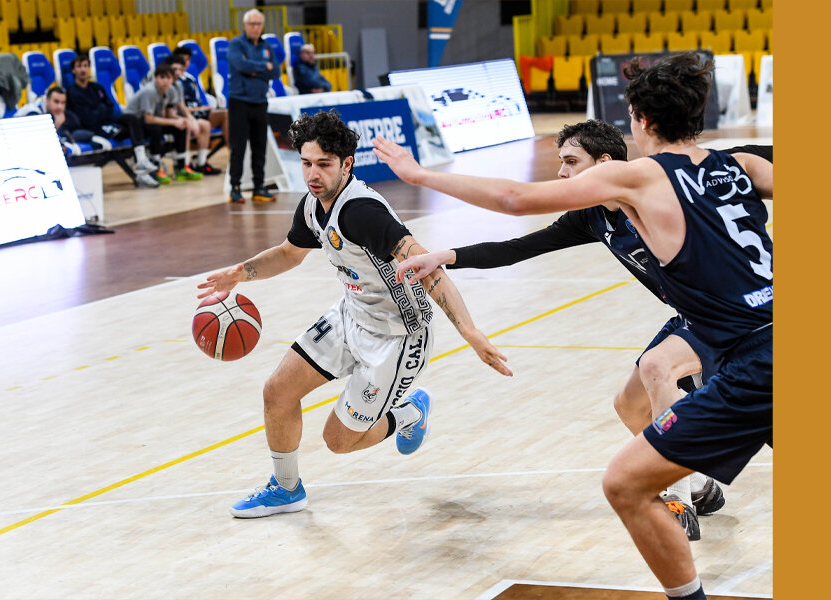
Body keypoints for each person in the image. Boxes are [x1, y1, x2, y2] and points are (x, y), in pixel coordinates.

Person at [373, 53, 772, 600]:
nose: (563, 171)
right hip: (761, 334)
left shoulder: (638, 176)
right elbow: (524, 243)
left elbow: (514, 199)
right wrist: (451, 255)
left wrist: (418, 175)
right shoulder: (740, 164)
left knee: (626, 481)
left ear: (640, 120)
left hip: (753, 358)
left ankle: (685, 503)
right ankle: (697, 480)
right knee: (634, 401)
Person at [196, 110, 510, 519]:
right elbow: (290, 253)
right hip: (351, 315)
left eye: (324, 164)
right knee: (277, 391)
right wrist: (242, 273)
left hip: (397, 337)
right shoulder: (313, 205)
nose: (313, 174)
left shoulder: (362, 213)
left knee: (339, 441)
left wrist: (469, 331)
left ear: (347, 164)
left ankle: (410, 412)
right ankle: (286, 489)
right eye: (306, 163)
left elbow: (426, 266)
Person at [65, 55, 160, 188]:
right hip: (96, 128)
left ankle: (141, 161)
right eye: (79, 66)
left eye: (86, 66)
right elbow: (86, 118)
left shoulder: (97, 87)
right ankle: (142, 170)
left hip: (109, 121)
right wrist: (101, 108)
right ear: (73, 70)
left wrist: (98, 109)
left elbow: (110, 106)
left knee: (133, 119)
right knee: (134, 131)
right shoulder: (72, 92)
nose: (83, 69)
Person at [226, 8, 279, 203]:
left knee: (259, 147)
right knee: (238, 147)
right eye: (252, 24)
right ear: (244, 25)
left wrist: (254, 69)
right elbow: (240, 65)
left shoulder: (266, 46)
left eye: (259, 24)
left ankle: (258, 187)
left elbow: (276, 72)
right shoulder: (236, 44)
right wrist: (264, 66)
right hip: (239, 101)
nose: (256, 28)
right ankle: (235, 187)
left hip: (260, 102)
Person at [122, 64, 203, 185]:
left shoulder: (171, 91)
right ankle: (155, 168)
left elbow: (169, 114)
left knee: (181, 127)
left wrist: (183, 120)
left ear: (172, 79)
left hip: (152, 120)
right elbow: (148, 119)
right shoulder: (149, 91)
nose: (165, 81)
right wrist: (174, 122)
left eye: (168, 78)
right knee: (156, 129)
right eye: (162, 77)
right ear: (156, 78)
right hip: (134, 123)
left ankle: (181, 167)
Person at [171, 45, 228, 174]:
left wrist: (201, 108)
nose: (185, 62)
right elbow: (177, 107)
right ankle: (187, 165)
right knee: (201, 124)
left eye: (188, 60)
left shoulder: (190, 79)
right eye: (182, 59)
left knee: (226, 114)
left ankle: (232, 156)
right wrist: (193, 113)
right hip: (184, 115)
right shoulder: (170, 80)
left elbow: (197, 100)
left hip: (198, 112)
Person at [164, 55, 216, 176]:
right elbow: (168, 112)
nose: (177, 72)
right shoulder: (165, 84)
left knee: (205, 124)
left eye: (180, 69)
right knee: (185, 125)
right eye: (174, 69)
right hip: (162, 119)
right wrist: (188, 120)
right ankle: (184, 165)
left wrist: (192, 120)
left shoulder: (178, 84)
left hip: (176, 116)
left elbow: (181, 106)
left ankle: (201, 163)